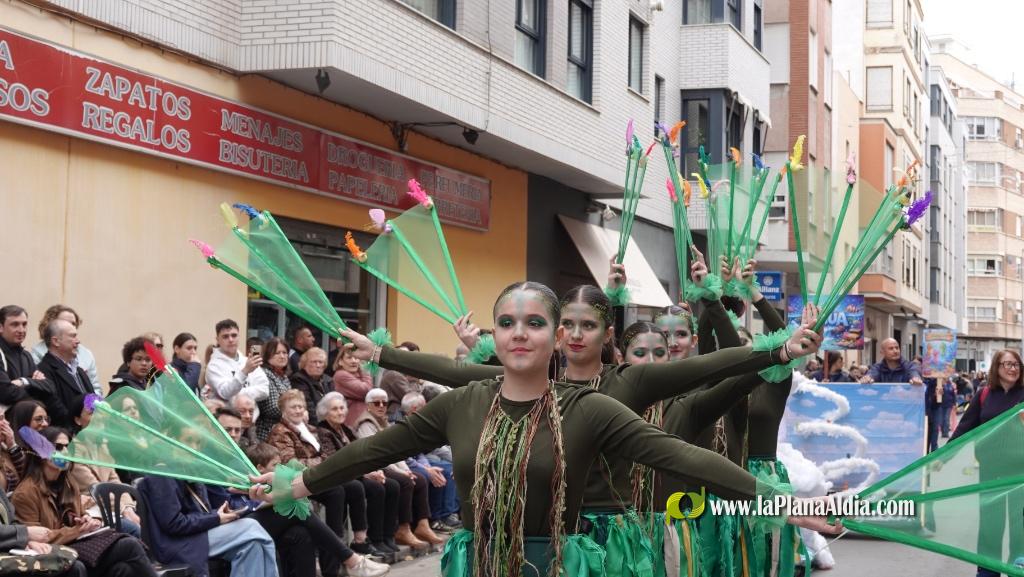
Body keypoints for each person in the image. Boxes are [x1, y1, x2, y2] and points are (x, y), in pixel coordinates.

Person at [246, 281, 840, 577]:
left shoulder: (589, 408)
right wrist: (299, 484)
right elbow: (380, 447)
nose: (518, 333)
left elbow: (680, 456)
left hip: (564, 564)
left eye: (534, 322)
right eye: (507, 322)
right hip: (478, 563)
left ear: (554, 336)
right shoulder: (465, 404)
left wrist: (780, 500)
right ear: (496, 335)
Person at [11, 427, 157, 577]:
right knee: (129, 545)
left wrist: (88, 520)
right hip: (52, 552)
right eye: (58, 447)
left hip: (77, 544)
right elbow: (38, 538)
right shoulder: (25, 493)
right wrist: (77, 530)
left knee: (122, 569)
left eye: (68, 447)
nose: (65, 452)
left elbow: (79, 518)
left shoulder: (68, 483)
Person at [267, 390, 389, 558]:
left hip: (316, 474)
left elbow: (326, 454)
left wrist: (321, 462)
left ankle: (360, 540)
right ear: (283, 410)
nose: (298, 410)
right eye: (293, 407)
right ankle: (334, 546)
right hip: (297, 479)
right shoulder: (280, 431)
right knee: (336, 491)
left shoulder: (309, 428)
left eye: (300, 406)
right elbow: (291, 463)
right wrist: (321, 463)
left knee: (354, 487)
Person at [244, 442, 390, 576]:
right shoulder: (245, 480)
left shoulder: (272, 481)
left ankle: (343, 562)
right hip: (245, 524)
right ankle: (352, 560)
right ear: (260, 468)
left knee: (300, 532)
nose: (280, 468)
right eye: (275, 465)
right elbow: (246, 506)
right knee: (296, 509)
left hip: (266, 522)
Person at [951, 350, 1024, 577]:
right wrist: (942, 457)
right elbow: (965, 428)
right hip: (991, 471)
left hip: (1020, 472)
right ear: (996, 368)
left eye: (1017, 364)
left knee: (1019, 527)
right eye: (1007, 364)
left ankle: (1017, 570)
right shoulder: (984, 395)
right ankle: (987, 572)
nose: (1013, 368)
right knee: (990, 526)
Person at [316, 392, 402, 555]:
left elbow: (363, 453)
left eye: (342, 408)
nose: (340, 412)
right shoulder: (323, 431)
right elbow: (335, 462)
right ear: (325, 413)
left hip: (356, 472)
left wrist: (374, 469)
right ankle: (367, 540)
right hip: (341, 475)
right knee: (373, 488)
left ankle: (386, 536)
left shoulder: (346, 429)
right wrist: (365, 474)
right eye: (334, 409)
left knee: (392, 485)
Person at [354, 389, 440, 548]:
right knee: (403, 482)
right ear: (368, 406)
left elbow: (395, 452)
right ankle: (401, 529)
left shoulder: (384, 422)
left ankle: (422, 525)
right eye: (376, 403)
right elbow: (377, 455)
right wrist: (401, 472)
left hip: (388, 465)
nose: (381, 406)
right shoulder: (366, 424)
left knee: (420, 479)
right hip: (376, 466)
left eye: (384, 403)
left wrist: (406, 469)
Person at [399, 392, 460, 533]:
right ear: (414, 409)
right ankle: (435, 518)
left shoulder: (419, 423)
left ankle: (448, 514)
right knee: (436, 473)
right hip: (406, 465)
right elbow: (405, 456)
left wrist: (426, 467)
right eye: (424, 406)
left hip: (423, 461)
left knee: (447, 469)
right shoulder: (401, 426)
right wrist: (427, 469)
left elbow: (419, 453)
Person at [29, 305, 100, 395]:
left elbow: (95, 389)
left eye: (73, 324)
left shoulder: (86, 355)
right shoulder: (38, 355)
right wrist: (83, 401)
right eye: (65, 322)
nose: (71, 326)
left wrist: (92, 402)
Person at [35, 320, 90, 430]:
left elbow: (92, 401)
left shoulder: (79, 370)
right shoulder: (44, 371)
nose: (78, 341)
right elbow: (56, 411)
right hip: (67, 435)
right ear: (56, 341)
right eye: (72, 336)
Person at [205, 319, 269, 404]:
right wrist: (245, 371)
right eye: (225, 336)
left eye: (234, 335)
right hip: (228, 412)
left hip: (251, 411)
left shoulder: (247, 361)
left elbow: (265, 391)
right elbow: (225, 393)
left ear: (239, 337)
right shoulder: (213, 366)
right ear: (217, 340)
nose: (231, 340)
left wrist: (235, 394)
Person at [0, 305, 46, 407]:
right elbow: (6, 393)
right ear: (1, 327)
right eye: (15, 325)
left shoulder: (26, 356)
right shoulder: (1, 354)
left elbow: (48, 386)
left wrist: (24, 381)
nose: (21, 330)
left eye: (24, 324)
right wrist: (34, 385)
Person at [257, 337, 291, 442]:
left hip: (283, 431)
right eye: (277, 353)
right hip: (268, 433)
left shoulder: (284, 377)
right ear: (267, 356)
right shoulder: (264, 374)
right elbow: (272, 408)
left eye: (284, 353)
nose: (282, 356)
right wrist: (295, 411)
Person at [379, 342, 423, 421]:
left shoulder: (400, 374)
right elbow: (413, 399)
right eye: (402, 355)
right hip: (396, 415)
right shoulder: (394, 374)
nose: (407, 358)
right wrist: (413, 380)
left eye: (407, 355)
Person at [333, 347, 374, 429]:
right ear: (340, 361)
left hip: (364, 420)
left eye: (356, 358)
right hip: (353, 422)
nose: (354, 361)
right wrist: (365, 370)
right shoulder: (341, 375)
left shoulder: (359, 375)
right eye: (349, 358)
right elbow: (366, 391)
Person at [290, 348, 332, 419]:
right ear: (304, 364)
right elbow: (308, 407)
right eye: (314, 362)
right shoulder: (298, 379)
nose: (318, 365)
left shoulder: (328, 380)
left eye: (321, 362)